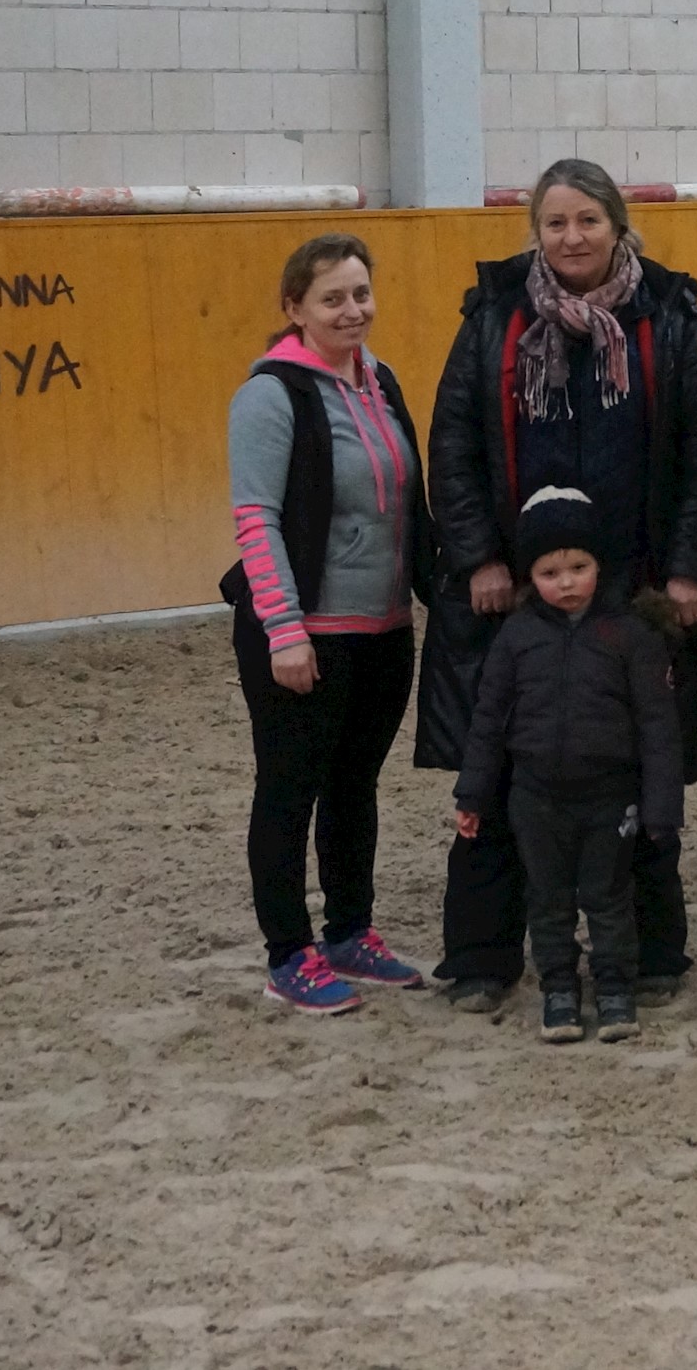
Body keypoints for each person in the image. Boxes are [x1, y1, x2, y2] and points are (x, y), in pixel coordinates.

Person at [416, 159, 697, 1016]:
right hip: (512, 592)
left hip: (632, 594)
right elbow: (453, 440)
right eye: (555, 223)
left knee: (632, 764)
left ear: (617, 226)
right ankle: (484, 954)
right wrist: (479, 558)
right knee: (495, 768)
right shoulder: (493, 314)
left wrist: (686, 568)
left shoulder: (669, 316)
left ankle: (647, 952)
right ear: (537, 230)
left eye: (587, 222)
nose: (571, 239)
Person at [219, 231, 439, 1015]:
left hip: (382, 630)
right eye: (332, 299)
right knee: (289, 790)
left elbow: (408, 506)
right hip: (303, 633)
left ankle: (351, 932)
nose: (353, 311)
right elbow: (257, 520)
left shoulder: (381, 381)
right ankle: (289, 951)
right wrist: (284, 630)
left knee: (355, 786)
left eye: (361, 294)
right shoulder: (270, 395)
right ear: (295, 308)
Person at [452, 489, 685, 1046]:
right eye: (550, 571)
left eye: (578, 567)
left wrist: (662, 808)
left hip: (611, 794)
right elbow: (488, 721)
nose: (566, 581)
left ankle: (614, 989)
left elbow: (658, 728)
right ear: (531, 576)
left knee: (608, 896)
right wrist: (473, 795)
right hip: (534, 795)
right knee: (548, 896)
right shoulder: (516, 637)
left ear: (599, 567)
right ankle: (558, 988)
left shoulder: (631, 635)